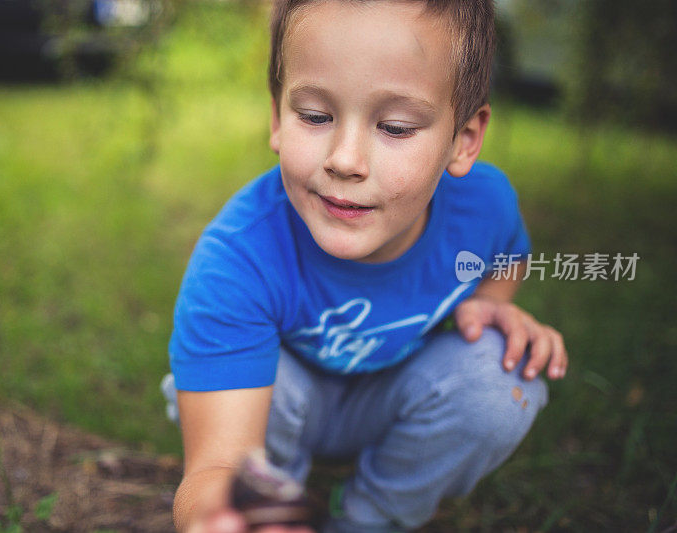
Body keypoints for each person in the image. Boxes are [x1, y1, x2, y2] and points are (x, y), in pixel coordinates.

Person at [162, 1, 568, 531]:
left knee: (504, 377)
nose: (345, 160)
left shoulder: (483, 208)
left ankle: (370, 519)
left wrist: (490, 304)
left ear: (463, 139)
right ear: (277, 118)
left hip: (389, 398)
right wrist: (222, 509)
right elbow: (212, 467)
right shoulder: (237, 259)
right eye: (314, 116)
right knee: (259, 410)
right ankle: (274, 497)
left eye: (395, 127)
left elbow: (509, 255)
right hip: (270, 400)